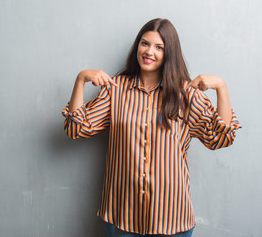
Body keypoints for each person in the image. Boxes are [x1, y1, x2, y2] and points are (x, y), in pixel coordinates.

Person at [61, 18, 241, 237]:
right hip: (122, 217)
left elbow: (220, 138)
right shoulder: (115, 90)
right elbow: (76, 128)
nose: (149, 52)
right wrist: (81, 79)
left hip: (172, 219)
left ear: (169, 53)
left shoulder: (185, 94)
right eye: (144, 43)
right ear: (137, 45)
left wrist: (221, 87)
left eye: (159, 47)